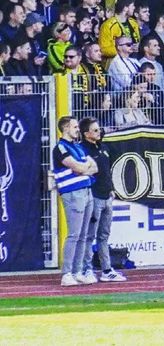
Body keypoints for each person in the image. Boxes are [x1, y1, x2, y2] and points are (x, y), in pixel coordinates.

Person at [52, 115, 99, 286]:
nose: (78, 130)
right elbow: (78, 166)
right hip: (73, 193)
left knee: (83, 235)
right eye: (75, 127)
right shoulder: (60, 148)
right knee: (74, 234)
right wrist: (83, 168)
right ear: (65, 128)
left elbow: (95, 167)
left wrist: (82, 170)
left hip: (86, 191)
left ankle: (77, 271)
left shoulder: (78, 147)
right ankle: (66, 273)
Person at [78, 117, 126, 282]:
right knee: (89, 235)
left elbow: (107, 171)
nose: (100, 132)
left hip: (106, 196)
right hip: (94, 196)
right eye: (96, 130)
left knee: (104, 235)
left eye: (99, 129)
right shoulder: (82, 150)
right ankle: (87, 269)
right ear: (86, 134)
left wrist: (111, 188)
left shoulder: (104, 148)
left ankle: (106, 269)